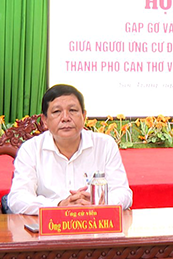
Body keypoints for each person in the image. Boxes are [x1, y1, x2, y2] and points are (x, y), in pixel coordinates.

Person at [8, 85, 133, 215]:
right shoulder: (31, 149)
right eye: (57, 111)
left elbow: (123, 193)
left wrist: (99, 203)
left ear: (84, 116)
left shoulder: (105, 145)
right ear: (45, 120)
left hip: (95, 223)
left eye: (72, 110)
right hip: (50, 225)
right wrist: (59, 205)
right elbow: (17, 198)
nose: (65, 118)